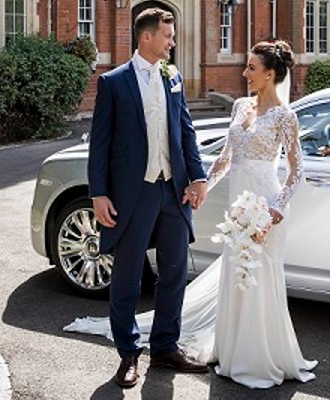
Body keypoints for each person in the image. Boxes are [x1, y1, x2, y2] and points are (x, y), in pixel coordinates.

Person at [67, 39, 317, 389]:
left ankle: (262, 356)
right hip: (238, 209)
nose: (244, 73)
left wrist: (275, 210)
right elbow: (226, 158)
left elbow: (296, 171)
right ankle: (232, 355)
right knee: (235, 278)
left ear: (270, 74)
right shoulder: (240, 107)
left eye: (251, 68)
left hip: (266, 208)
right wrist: (201, 186)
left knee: (260, 282)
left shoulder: (285, 117)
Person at [86, 7, 209, 388]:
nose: (173, 42)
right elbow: (100, 144)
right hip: (132, 192)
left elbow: (185, 131)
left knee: (174, 272)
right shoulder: (114, 83)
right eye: (168, 36)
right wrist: (99, 194)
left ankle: (165, 348)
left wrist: (199, 176)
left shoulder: (174, 78)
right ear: (147, 38)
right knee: (126, 277)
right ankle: (127, 355)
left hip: (173, 190)